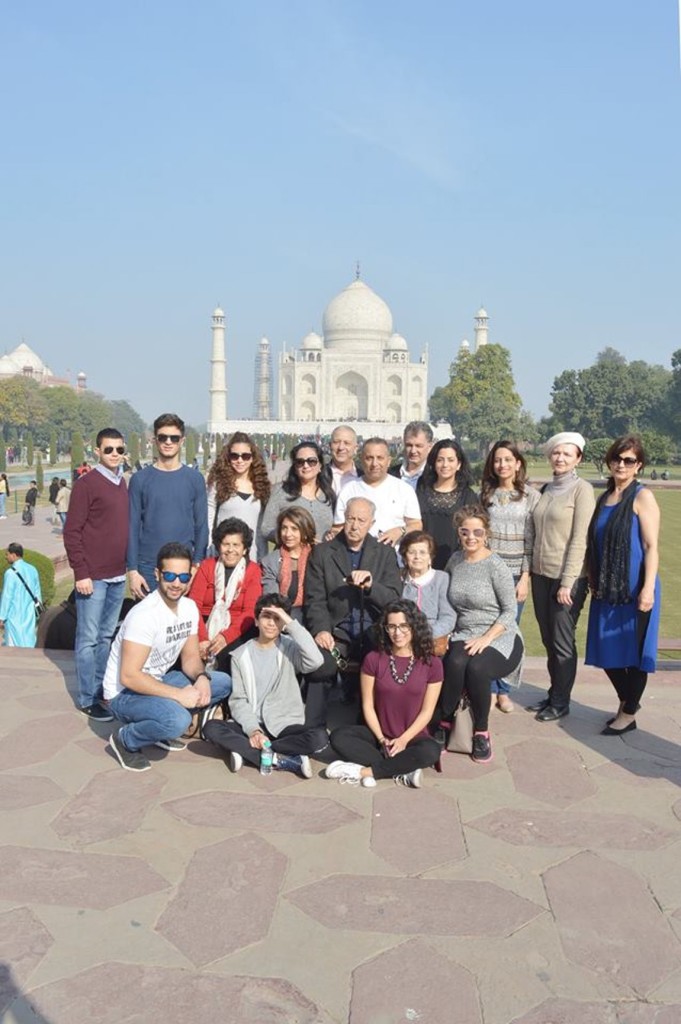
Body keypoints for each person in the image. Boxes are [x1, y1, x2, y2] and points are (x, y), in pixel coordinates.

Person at [104, 542, 232, 772]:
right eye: (170, 575)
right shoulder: (145, 616)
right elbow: (129, 676)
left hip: (157, 681)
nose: (176, 583)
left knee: (221, 682)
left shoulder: (189, 608)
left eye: (183, 577)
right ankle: (126, 739)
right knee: (177, 721)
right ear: (157, 574)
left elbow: (191, 658)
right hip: (123, 694)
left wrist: (202, 678)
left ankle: (159, 722)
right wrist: (178, 695)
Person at [203, 593, 329, 776]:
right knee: (211, 728)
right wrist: (254, 731)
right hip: (252, 726)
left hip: (284, 725)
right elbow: (239, 700)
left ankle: (249, 754)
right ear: (256, 621)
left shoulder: (290, 648)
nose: (271, 623)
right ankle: (280, 759)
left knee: (320, 737)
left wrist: (290, 623)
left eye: (277, 618)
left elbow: (316, 660)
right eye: (266, 617)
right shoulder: (240, 655)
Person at [585, 436, 661, 735]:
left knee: (634, 654)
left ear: (638, 465)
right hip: (608, 586)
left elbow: (651, 545)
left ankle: (628, 712)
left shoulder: (642, 497)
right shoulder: (604, 498)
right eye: (617, 458)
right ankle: (628, 701)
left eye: (629, 460)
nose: (621, 464)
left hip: (635, 586)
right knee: (606, 649)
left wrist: (648, 588)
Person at [304, 496, 403, 725]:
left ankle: (369, 726)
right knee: (321, 665)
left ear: (371, 522)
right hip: (337, 631)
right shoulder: (323, 552)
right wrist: (321, 630)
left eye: (361, 520)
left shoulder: (384, 553)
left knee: (379, 662)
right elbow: (315, 599)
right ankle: (312, 729)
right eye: (350, 519)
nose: (354, 525)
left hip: (373, 631)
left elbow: (394, 599)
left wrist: (371, 586)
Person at [327, 600, 443, 787]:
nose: (397, 633)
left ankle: (363, 771)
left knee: (430, 751)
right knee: (338, 737)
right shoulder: (373, 659)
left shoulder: (432, 663)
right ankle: (402, 770)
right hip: (377, 734)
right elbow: (367, 705)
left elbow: (427, 712)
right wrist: (382, 739)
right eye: (392, 627)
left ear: (414, 626)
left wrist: (403, 740)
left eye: (404, 626)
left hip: (412, 736)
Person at [440, 506, 523, 763]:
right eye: (465, 532)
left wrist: (487, 638)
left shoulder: (495, 565)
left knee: (477, 668)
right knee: (453, 663)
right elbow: (447, 600)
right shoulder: (455, 560)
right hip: (463, 632)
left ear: (486, 534)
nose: (471, 537)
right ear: (459, 534)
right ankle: (445, 722)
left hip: (500, 634)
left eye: (477, 532)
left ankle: (481, 731)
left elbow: (510, 611)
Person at [528, 432, 595, 722]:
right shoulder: (547, 488)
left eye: (568, 454)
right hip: (541, 573)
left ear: (578, 458)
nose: (561, 458)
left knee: (562, 642)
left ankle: (560, 702)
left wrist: (568, 581)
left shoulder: (582, 490)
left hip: (567, 577)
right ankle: (554, 692)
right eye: (557, 453)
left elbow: (580, 538)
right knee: (547, 638)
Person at [64, 428, 130, 721]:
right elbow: (72, 531)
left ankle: (103, 691)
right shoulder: (86, 484)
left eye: (118, 449)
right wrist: (81, 572)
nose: (114, 454)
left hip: (117, 575)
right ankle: (87, 697)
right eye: (108, 449)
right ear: (97, 452)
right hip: (93, 576)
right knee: (89, 638)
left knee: (106, 636)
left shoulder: (121, 483)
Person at [480, 441, 540, 713]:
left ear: (518, 463)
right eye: (497, 460)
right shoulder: (487, 494)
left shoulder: (530, 496)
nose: (502, 465)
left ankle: (504, 690)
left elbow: (531, 539)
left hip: (517, 572)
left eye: (507, 459)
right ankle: (490, 688)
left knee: (509, 630)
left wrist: (526, 576)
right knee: (487, 628)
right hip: (490, 570)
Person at [127, 413, 208, 598]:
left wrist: (196, 564)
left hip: (183, 567)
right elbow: (131, 526)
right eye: (163, 437)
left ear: (182, 441)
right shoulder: (140, 479)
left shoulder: (194, 479)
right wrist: (132, 570)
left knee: (179, 625)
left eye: (174, 438)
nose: (168, 442)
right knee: (148, 625)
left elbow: (201, 525)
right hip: (148, 565)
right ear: (155, 440)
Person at [188, 517, 262, 672]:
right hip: (202, 625)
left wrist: (225, 637)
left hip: (237, 628)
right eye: (226, 544)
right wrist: (202, 639)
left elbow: (250, 611)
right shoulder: (207, 566)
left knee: (226, 657)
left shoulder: (253, 571)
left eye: (236, 545)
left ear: (245, 549)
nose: (230, 550)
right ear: (219, 546)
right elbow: (193, 605)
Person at [334, 438, 422, 546]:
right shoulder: (349, 490)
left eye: (380, 458)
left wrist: (400, 531)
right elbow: (338, 527)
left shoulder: (404, 489)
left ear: (389, 461)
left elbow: (416, 524)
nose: (374, 463)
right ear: (361, 460)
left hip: (395, 557)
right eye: (369, 458)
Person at [206, 432, 270, 561]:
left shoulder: (260, 486)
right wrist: (210, 546)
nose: (240, 460)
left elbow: (260, 527)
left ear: (252, 458)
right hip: (224, 552)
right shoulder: (218, 484)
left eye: (245, 456)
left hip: (251, 554)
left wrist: (263, 555)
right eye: (234, 456)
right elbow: (209, 517)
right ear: (228, 457)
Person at [417, 440, 478, 569]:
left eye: (450, 460)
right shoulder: (420, 492)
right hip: (423, 561)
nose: (445, 465)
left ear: (459, 464)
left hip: (457, 563)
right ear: (433, 463)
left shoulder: (468, 496)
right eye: (440, 460)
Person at [261, 441, 336, 544]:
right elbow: (266, 528)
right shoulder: (281, 491)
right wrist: (295, 539)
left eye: (311, 461)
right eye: (300, 462)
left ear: (320, 466)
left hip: (321, 557)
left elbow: (336, 528)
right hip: (290, 556)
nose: (305, 466)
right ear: (295, 468)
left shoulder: (329, 495)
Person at [399, 531, 455, 652]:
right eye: (412, 552)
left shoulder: (442, 579)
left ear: (430, 557)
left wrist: (424, 635)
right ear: (405, 557)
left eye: (422, 552)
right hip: (401, 639)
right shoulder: (399, 580)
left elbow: (448, 618)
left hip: (431, 641)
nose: (417, 557)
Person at [260, 506, 316, 623]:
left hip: (314, 618)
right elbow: (272, 600)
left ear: (305, 531)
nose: (288, 534)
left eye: (294, 529)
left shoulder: (317, 556)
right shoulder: (271, 561)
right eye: (284, 528)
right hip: (282, 619)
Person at [0, 542, 42, 647]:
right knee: (29, 643)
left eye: (7, 554)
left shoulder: (10, 573)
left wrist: (2, 617)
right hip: (29, 615)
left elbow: (7, 597)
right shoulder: (33, 569)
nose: (6, 557)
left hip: (14, 616)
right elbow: (37, 593)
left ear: (13, 555)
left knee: (13, 646)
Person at [388, 421, 434, 490]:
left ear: (430, 447)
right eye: (409, 445)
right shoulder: (390, 475)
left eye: (418, 446)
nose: (413, 451)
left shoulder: (435, 476)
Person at [323, 425, 360, 496]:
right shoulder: (319, 475)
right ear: (330, 446)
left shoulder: (364, 477)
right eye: (336, 442)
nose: (341, 447)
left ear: (355, 448)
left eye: (346, 443)